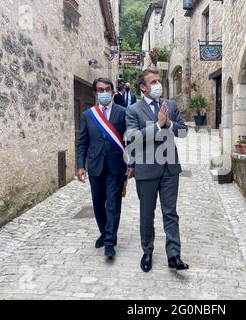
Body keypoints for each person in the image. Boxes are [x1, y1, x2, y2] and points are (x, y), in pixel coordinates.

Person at [125, 69, 189, 272]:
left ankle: (174, 255)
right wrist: (158, 126)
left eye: (159, 81)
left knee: (170, 212)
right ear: (143, 87)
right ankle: (147, 251)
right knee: (147, 213)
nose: (157, 84)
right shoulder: (133, 110)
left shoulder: (170, 105)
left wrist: (169, 123)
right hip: (146, 169)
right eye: (152, 82)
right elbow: (133, 137)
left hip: (170, 167)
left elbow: (184, 132)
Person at [76, 77, 129, 258]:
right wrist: (80, 165)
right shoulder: (88, 115)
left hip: (116, 166)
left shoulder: (123, 113)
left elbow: (130, 140)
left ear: (113, 92)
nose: (104, 93)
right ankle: (104, 232)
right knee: (98, 204)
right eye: (100, 90)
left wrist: (131, 163)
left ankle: (109, 242)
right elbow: (82, 142)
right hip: (95, 166)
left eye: (107, 89)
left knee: (113, 205)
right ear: (95, 93)